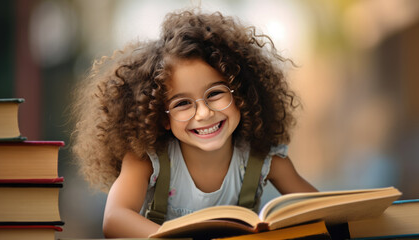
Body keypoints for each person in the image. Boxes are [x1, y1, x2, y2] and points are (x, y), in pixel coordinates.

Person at [72, 9, 317, 238]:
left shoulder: (265, 160)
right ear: (162, 117)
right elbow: (114, 219)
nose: (203, 113)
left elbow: (326, 210)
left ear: (241, 95)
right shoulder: (146, 160)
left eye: (215, 94)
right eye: (182, 104)